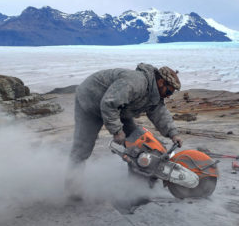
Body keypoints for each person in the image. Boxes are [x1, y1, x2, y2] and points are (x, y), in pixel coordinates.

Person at [65, 63, 183, 200]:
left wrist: (173, 133)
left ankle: (138, 185)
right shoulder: (136, 83)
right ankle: (72, 188)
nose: (168, 96)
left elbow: (159, 112)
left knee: (138, 142)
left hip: (119, 109)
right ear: (161, 82)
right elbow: (108, 103)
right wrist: (117, 131)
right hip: (90, 102)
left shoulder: (154, 93)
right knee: (83, 147)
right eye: (169, 92)